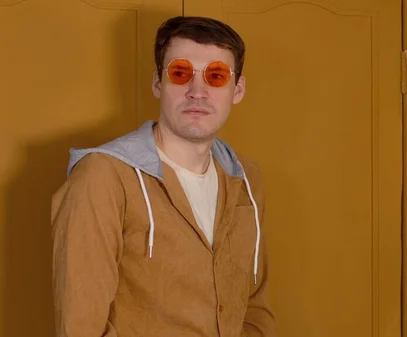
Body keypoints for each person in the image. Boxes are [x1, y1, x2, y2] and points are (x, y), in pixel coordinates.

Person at [50, 16, 276, 337]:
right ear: (158, 83)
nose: (197, 92)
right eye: (181, 73)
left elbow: (255, 308)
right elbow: (81, 327)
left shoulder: (245, 180)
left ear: (236, 89)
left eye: (216, 75)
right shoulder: (102, 177)